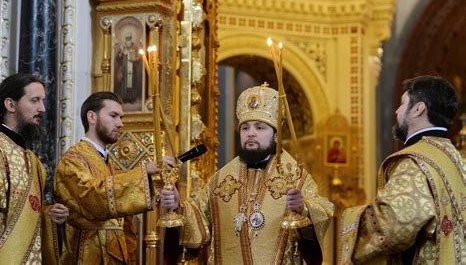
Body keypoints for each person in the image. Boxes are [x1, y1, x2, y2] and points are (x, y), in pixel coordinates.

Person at [161, 83, 334, 264]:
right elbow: (197, 225)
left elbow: (322, 211)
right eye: (245, 128)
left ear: (276, 135)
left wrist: (304, 208)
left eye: (260, 127)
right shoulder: (220, 181)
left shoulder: (296, 179)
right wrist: (177, 207)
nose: (251, 133)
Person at [339, 75, 465, 264]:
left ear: (418, 109)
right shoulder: (456, 158)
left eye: (402, 103)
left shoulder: (416, 162)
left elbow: (393, 227)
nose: (397, 111)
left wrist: (351, 217)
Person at [54, 92, 166, 264]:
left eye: (121, 117)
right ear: (91, 117)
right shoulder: (73, 159)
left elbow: (125, 220)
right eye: (113, 116)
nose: (120, 124)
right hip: (86, 256)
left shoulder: (107, 163)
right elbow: (93, 197)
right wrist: (144, 171)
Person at [0, 73, 69, 264]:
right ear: (10, 105)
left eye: (43, 101)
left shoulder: (34, 161)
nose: (42, 109)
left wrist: (50, 215)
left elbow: (27, 212)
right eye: (34, 100)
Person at [115, 31, 142, 105]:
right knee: (124, 82)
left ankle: (132, 98)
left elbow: (139, 57)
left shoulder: (135, 47)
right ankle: (125, 97)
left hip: (132, 67)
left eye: (129, 38)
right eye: (127, 38)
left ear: (131, 38)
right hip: (124, 67)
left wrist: (134, 59)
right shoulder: (122, 47)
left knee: (133, 81)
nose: (128, 39)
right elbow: (118, 58)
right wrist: (120, 54)